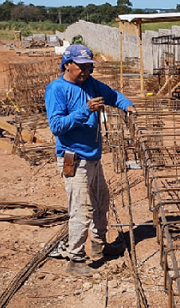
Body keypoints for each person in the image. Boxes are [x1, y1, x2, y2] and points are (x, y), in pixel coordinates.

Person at [45, 44, 136, 275]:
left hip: (93, 157)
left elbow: (113, 95)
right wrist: (85, 110)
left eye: (89, 67)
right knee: (81, 209)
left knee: (101, 203)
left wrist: (128, 106)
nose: (86, 72)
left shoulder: (91, 84)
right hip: (74, 158)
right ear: (67, 64)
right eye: (82, 67)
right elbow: (57, 126)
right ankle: (75, 259)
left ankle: (99, 245)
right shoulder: (57, 89)